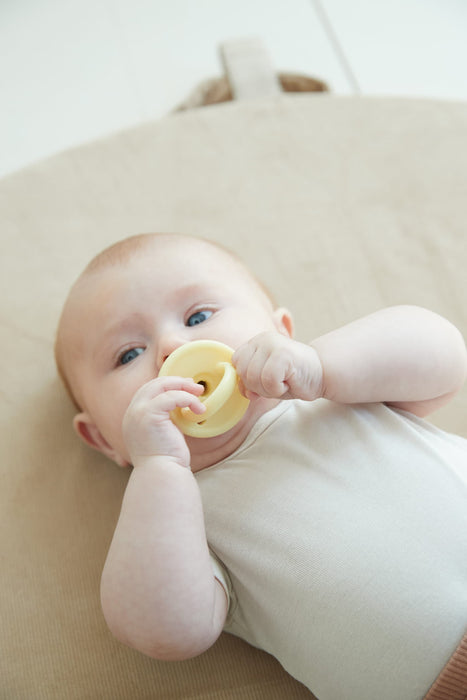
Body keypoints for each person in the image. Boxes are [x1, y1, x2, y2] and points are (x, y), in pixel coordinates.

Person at [55, 232, 467, 700]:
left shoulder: (337, 389)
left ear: (281, 330)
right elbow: (163, 631)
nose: (172, 347)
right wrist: (158, 468)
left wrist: (322, 365)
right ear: (104, 439)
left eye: (199, 316)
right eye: (127, 354)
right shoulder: (179, 520)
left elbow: (446, 356)